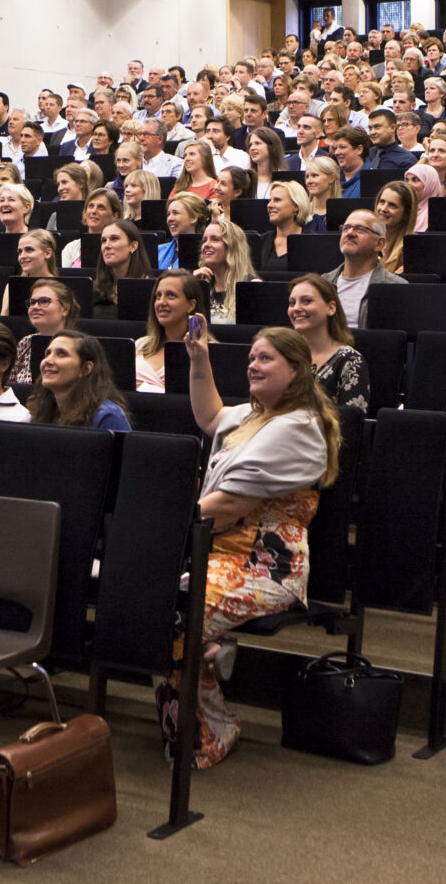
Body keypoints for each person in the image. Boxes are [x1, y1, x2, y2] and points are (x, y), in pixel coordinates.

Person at [165, 321, 338, 768]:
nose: (253, 366)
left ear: (297, 370)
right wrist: (200, 358)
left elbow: (231, 503)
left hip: (265, 569)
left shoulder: (299, 427)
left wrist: (159, 525)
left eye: (265, 359)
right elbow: (210, 417)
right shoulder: (258, 415)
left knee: (175, 611)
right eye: (251, 359)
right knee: (158, 606)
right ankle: (203, 711)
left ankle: (211, 729)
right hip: (219, 555)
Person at [285, 275, 369, 412]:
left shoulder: (350, 360)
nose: (296, 308)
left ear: (331, 308)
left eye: (306, 301)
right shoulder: (283, 353)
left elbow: (350, 422)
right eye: (292, 303)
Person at [26, 333, 131, 430]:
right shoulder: (43, 412)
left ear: (85, 369)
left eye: (61, 354)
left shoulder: (108, 417)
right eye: (48, 353)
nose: (47, 361)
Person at [324, 209, 404, 329]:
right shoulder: (323, 283)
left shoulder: (396, 286)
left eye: (360, 229)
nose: (350, 233)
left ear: (379, 244)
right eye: (346, 228)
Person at [134, 270, 206, 392]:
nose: (162, 302)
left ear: (191, 305)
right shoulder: (140, 345)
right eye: (158, 296)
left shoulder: (206, 351)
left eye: (171, 295)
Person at [195, 219, 258, 325]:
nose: (206, 245)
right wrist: (192, 288)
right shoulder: (201, 285)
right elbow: (193, 329)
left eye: (215, 239)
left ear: (232, 247)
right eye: (204, 240)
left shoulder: (251, 286)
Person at [93, 219, 152, 319]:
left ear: (133, 246)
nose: (107, 246)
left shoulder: (150, 289)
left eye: (114, 239)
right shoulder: (95, 290)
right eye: (103, 240)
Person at [258, 181, 313, 273]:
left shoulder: (311, 242)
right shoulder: (261, 241)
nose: (269, 205)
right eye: (269, 200)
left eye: (277, 200)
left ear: (296, 206)